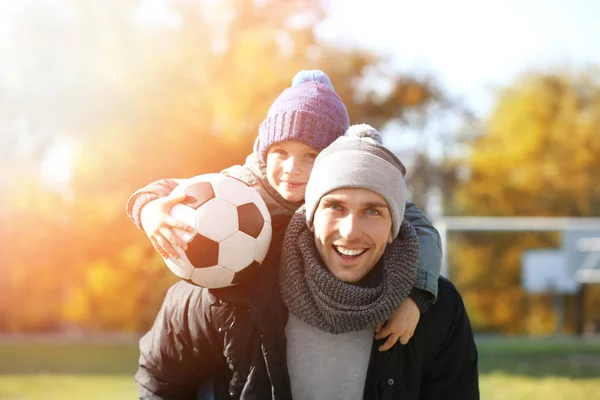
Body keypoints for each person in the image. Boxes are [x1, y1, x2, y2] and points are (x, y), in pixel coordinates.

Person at [135, 124, 479, 399]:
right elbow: (161, 382)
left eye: (373, 211)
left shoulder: (436, 308)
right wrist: (148, 206)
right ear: (311, 214)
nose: (350, 230)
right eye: (335, 207)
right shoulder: (229, 289)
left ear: (395, 227)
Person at [127, 70, 443, 349]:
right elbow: (170, 188)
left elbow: (423, 231)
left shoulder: (354, 189)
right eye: (281, 152)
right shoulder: (240, 189)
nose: (292, 169)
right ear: (264, 150)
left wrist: (415, 297)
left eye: (310, 155)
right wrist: (149, 210)